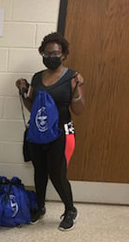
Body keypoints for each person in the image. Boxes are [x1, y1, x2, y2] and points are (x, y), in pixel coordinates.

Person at [16, 32, 86, 231]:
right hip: (39, 132)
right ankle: (40, 207)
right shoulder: (37, 77)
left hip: (61, 133)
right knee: (40, 172)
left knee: (57, 174)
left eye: (55, 53)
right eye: (47, 53)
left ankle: (70, 209)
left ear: (63, 55)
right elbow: (33, 107)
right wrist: (23, 91)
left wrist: (78, 88)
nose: (51, 57)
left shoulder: (72, 77)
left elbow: (79, 111)